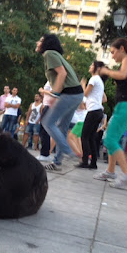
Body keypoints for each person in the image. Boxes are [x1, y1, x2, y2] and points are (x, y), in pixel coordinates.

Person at [93, 38, 127, 187]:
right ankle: (111, 171)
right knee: (113, 137)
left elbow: (122, 75)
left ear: (122, 49)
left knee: (110, 139)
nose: (112, 56)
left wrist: (106, 71)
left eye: (113, 52)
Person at [36, 34, 83, 171]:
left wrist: (55, 94)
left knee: (47, 122)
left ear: (46, 43)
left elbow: (62, 74)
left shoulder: (49, 53)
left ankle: (68, 152)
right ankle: (57, 162)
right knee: (62, 127)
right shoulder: (55, 55)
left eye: (40, 39)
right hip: (76, 94)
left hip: (70, 93)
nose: (38, 42)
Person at [76, 61, 107, 170]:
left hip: (93, 111)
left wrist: (82, 86)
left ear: (97, 68)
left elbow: (85, 94)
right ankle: (93, 162)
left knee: (84, 136)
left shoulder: (94, 79)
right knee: (91, 138)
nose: (90, 67)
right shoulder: (100, 81)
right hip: (98, 111)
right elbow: (104, 98)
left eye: (92, 65)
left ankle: (85, 161)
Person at [37, 81, 53, 162]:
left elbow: (54, 93)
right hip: (46, 105)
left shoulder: (55, 79)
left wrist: (42, 91)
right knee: (42, 130)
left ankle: (45, 154)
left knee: (44, 131)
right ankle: (45, 153)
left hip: (50, 106)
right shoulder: (49, 80)